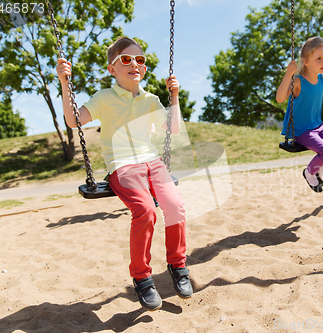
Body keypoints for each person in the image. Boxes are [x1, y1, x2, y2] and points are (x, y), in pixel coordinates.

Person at [56, 36, 192, 311]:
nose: (134, 64)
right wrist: (64, 82)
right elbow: (73, 121)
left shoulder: (151, 99)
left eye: (139, 60)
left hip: (152, 161)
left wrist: (174, 96)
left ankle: (177, 266)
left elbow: (174, 129)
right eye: (126, 59)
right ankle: (142, 277)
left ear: (144, 67)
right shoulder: (104, 98)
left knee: (176, 206)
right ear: (112, 69)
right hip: (121, 165)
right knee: (146, 211)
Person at [276, 36, 323, 192]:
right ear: (306, 62)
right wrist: (288, 74)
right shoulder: (297, 81)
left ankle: (319, 166)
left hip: (318, 126)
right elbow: (280, 98)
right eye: (319, 59)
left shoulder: (321, 79)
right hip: (302, 130)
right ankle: (309, 172)